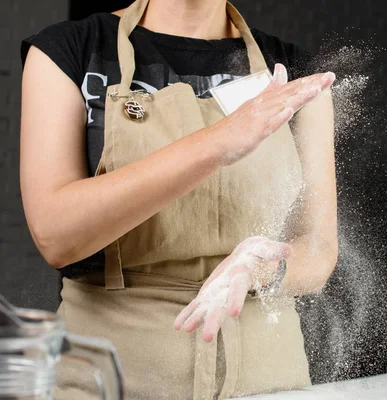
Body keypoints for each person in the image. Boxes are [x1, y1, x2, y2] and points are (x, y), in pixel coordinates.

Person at [19, 0, 338, 398]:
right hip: (109, 381)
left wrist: (258, 271)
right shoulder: (70, 52)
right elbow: (55, 235)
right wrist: (220, 141)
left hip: (271, 382)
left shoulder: (292, 73)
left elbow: (319, 248)